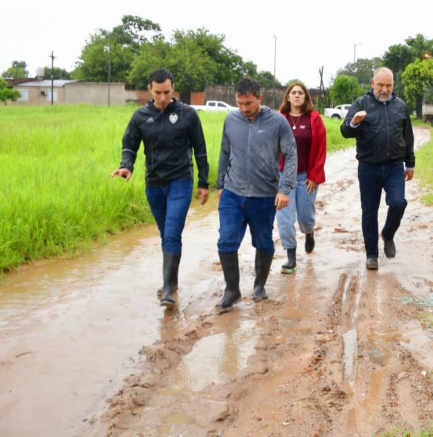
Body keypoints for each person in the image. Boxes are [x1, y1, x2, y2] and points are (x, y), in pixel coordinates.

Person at [110, 68, 209, 308]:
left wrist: (203, 182)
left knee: (173, 232)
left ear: (173, 88)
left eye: (167, 92)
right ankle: (171, 282)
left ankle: (168, 289)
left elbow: (200, 149)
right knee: (165, 234)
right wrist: (126, 166)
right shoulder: (140, 117)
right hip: (154, 183)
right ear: (149, 90)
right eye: (158, 92)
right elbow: (129, 145)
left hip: (181, 181)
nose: (163, 97)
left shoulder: (187, 115)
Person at [215, 78, 297, 311]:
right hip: (232, 192)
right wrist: (220, 185)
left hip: (264, 195)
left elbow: (291, 154)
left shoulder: (278, 122)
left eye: (248, 103)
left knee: (263, 242)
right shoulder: (231, 119)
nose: (244, 108)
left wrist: (285, 189)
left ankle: (259, 285)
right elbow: (224, 152)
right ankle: (232, 290)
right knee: (226, 239)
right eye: (239, 103)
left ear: (260, 99)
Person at [340, 67, 415, 270]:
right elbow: (345, 131)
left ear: (393, 85)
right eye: (380, 85)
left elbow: (408, 137)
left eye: (388, 85)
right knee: (369, 212)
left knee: (399, 203)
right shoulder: (361, 104)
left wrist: (410, 164)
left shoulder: (400, 106)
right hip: (368, 168)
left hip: (394, 167)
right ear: (372, 84)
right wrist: (354, 123)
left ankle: (388, 233)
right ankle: (371, 254)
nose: (384, 89)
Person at [276, 82, 327, 274]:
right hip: (283, 177)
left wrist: (314, 176)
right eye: (293, 93)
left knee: (305, 217)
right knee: (285, 219)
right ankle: (290, 257)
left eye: (300, 93)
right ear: (288, 97)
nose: (297, 96)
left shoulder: (314, 119)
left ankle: (309, 232)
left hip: (306, 177)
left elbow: (321, 148)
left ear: (305, 97)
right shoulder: (279, 118)